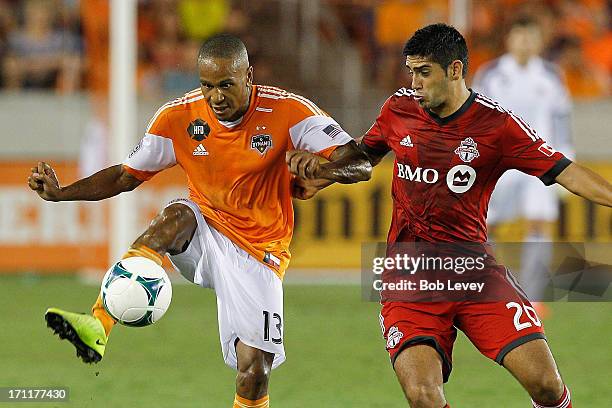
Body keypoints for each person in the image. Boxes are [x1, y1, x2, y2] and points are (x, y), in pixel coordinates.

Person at [28, 34, 370, 408]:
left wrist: (326, 166)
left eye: (226, 85)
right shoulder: (178, 117)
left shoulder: (289, 111)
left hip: (261, 254)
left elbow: (361, 162)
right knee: (174, 217)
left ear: (248, 77)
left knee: (255, 373)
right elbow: (127, 176)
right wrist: (62, 194)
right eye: (207, 86)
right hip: (205, 230)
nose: (216, 97)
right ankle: (98, 324)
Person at [288, 23, 612, 407]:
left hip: (474, 272)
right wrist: (319, 175)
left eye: (424, 73)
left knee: (546, 384)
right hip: (409, 278)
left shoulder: (498, 125)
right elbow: (362, 159)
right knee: (424, 395)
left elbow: (566, 172)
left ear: (455, 70)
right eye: (411, 72)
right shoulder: (398, 110)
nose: (415, 83)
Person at [472, 16, 574, 310]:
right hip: (500, 163)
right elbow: (478, 117)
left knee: (538, 222)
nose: (525, 43)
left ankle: (532, 296)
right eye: (520, 36)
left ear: (539, 42)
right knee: (483, 225)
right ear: (510, 40)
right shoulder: (491, 74)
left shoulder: (551, 76)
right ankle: (486, 287)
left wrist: (567, 153)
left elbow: (560, 117)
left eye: (530, 37)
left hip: (540, 162)